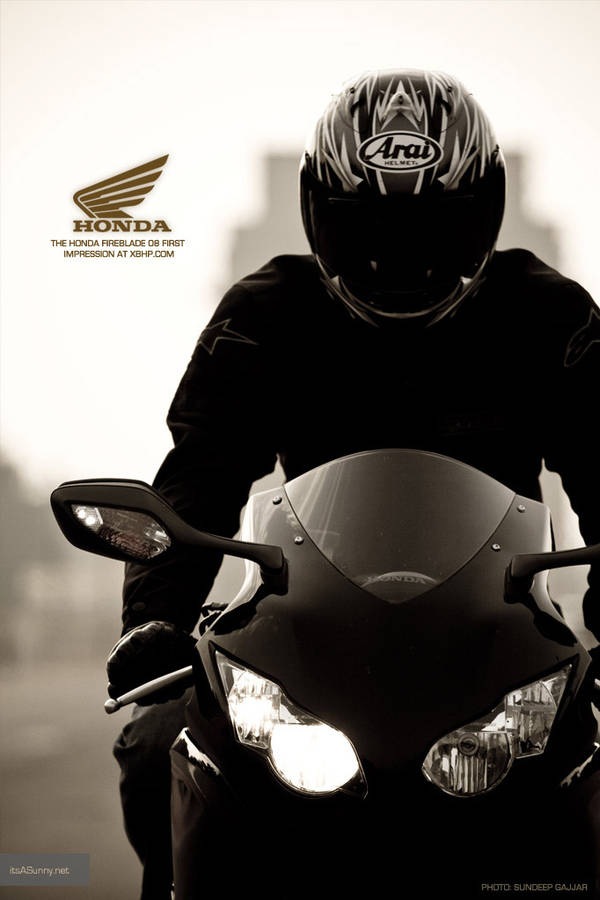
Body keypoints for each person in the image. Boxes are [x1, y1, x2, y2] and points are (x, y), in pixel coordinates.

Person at [107, 68, 600, 899]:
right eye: (369, 226)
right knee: (161, 748)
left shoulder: (549, 317)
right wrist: (154, 617)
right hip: (302, 638)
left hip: (503, 640)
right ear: (317, 213)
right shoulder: (264, 316)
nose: (399, 256)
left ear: (483, 211)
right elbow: (197, 475)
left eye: (432, 227)